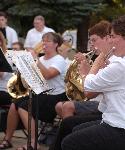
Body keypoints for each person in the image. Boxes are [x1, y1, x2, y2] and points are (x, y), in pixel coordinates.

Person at [61, 15, 125, 150]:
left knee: (69, 142)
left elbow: (89, 89)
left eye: (112, 37)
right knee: (75, 130)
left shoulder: (119, 64)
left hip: (119, 126)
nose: (110, 41)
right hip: (113, 119)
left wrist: (89, 68)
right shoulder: (118, 62)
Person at [48, 20, 112, 150]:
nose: (91, 45)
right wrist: (86, 68)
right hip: (101, 106)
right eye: (90, 41)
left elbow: (91, 91)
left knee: (68, 121)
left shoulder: (111, 61)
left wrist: (85, 71)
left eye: (94, 40)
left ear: (106, 38)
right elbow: (92, 87)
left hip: (104, 110)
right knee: (63, 112)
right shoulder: (103, 59)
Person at [0, 32, 68, 150]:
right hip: (40, 94)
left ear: (56, 44)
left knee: (24, 106)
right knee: (14, 104)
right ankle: (7, 139)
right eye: (43, 40)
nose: (44, 43)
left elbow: (48, 75)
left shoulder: (59, 60)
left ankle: (32, 142)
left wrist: (35, 59)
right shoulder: (41, 59)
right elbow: (32, 79)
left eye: (48, 41)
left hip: (54, 97)